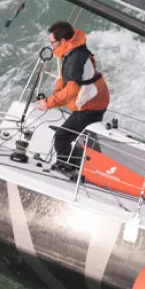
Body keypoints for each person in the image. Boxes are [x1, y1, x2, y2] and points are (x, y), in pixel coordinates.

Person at [39, 21, 110, 178]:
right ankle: (76, 160)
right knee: (74, 134)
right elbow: (65, 78)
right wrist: (56, 92)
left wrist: (48, 103)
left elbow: (72, 90)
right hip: (95, 100)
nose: (50, 45)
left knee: (61, 137)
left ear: (63, 41)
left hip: (91, 107)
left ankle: (67, 167)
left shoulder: (75, 58)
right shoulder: (72, 50)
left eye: (52, 42)